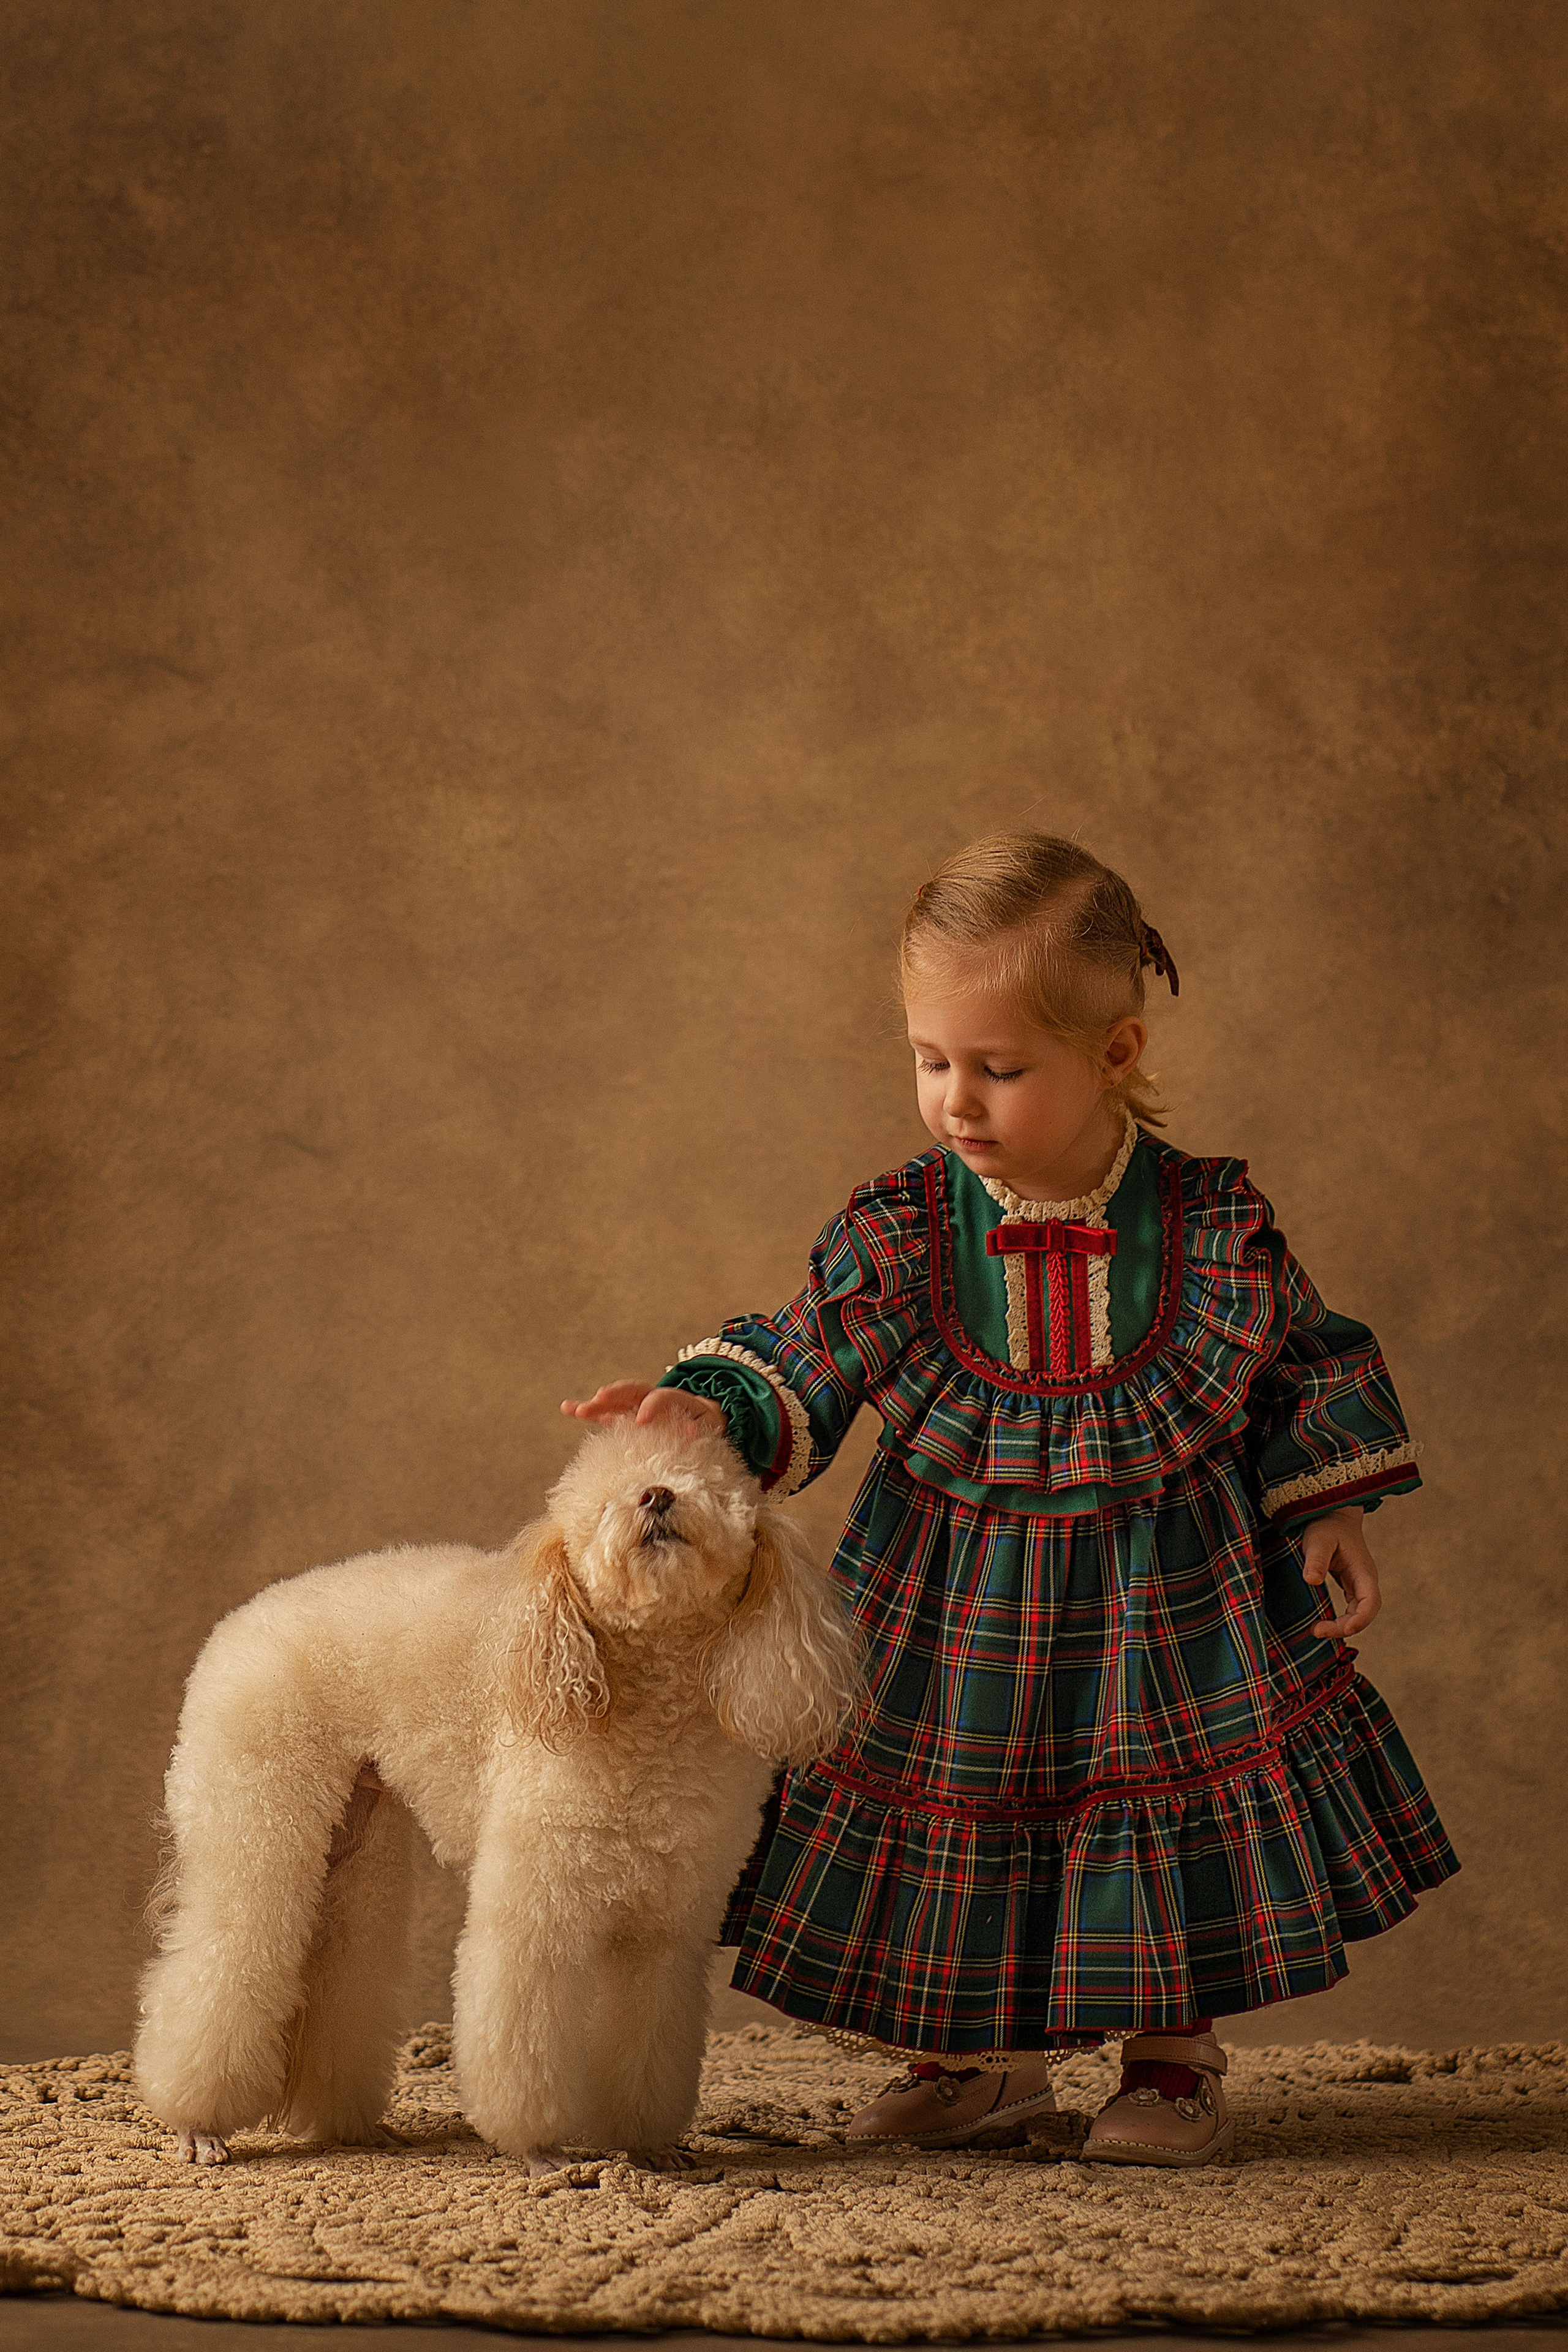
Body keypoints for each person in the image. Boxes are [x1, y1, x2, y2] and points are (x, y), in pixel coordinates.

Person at [563, 831, 1458, 2167]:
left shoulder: (1208, 1226)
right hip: (954, 1599)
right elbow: (810, 1354)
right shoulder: (903, 1232)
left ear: (1115, 1055)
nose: (955, 1101)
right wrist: (710, 1410)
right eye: (931, 1061)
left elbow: (1302, 1360)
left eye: (997, 1067)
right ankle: (978, 2065)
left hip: (1163, 1602)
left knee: (1146, 1804)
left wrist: (1328, 1509)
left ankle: (1169, 2063)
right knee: (963, 1807)